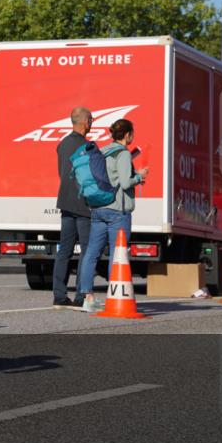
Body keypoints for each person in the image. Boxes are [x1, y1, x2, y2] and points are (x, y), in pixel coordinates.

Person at [76, 118, 149, 312]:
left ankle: (88, 297)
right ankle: (114, 296)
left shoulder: (104, 151)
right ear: (127, 135)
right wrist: (139, 176)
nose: (133, 136)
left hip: (98, 208)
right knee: (117, 256)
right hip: (118, 211)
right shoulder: (123, 154)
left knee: (91, 253)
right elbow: (125, 183)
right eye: (132, 133)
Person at [51, 107, 92, 310]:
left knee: (64, 251)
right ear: (85, 121)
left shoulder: (63, 144)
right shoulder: (88, 146)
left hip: (65, 202)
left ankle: (59, 294)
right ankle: (81, 294)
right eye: (90, 119)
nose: (91, 122)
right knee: (86, 250)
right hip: (83, 204)